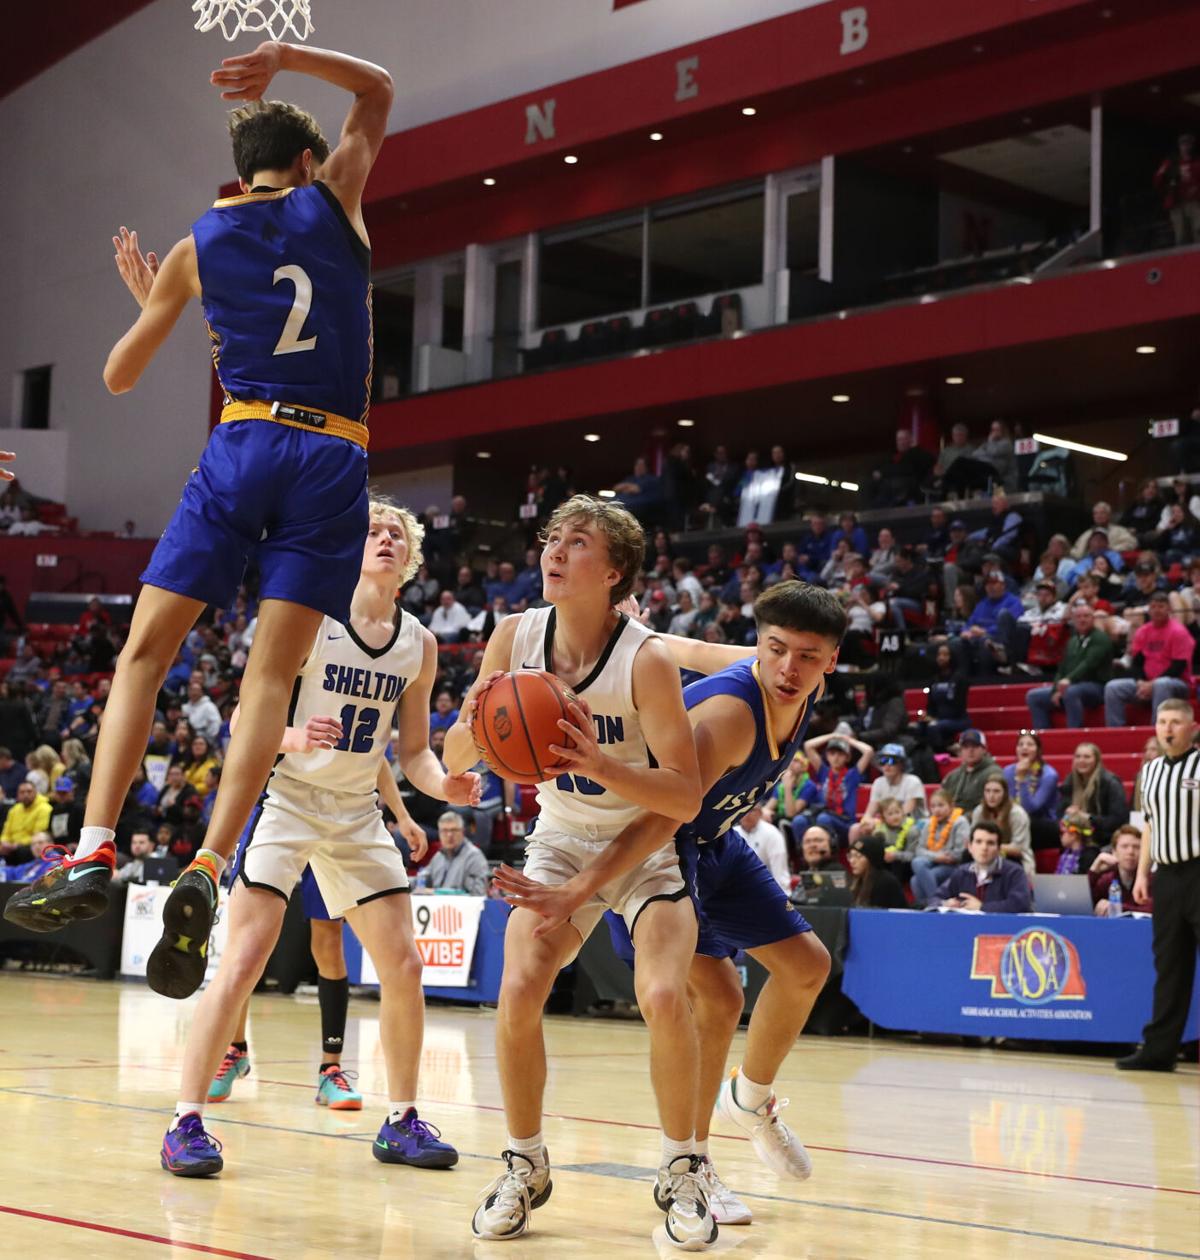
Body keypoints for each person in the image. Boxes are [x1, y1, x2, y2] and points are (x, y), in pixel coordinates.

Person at [3, 42, 394, 975]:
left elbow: (119, 374)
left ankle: (95, 843)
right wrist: (289, 55)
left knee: (143, 654)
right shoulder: (335, 200)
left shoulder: (197, 244)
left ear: (241, 167)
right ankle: (214, 866)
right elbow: (376, 90)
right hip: (332, 452)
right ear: (306, 162)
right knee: (268, 680)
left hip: (244, 440)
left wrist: (158, 305)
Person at [490, 580, 847, 1234]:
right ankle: (695, 1164)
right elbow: (659, 816)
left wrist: (639, 633)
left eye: (809, 656)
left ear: (831, 660)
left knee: (806, 967)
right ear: (763, 648)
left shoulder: (798, 679)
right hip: (653, 841)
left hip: (716, 840)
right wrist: (583, 886)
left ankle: (753, 1099)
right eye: (778, 651)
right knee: (714, 998)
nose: (790, 668)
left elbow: (703, 647)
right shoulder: (730, 719)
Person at [159, 497, 479, 1177]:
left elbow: (415, 750)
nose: (387, 538)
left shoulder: (418, 642)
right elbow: (243, 723)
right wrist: (295, 736)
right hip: (293, 800)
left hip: (358, 810)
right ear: (350, 546)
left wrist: (443, 783)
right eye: (374, 529)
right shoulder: (313, 619)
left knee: (406, 967)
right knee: (244, 960)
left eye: (398, 532)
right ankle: (185, 1121)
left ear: (411, 558)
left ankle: (401, 1121)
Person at [443, 495, 711, 1248]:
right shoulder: (513, 637)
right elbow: (460, 755)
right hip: (560, 835)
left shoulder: (647, 659)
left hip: (643, 841)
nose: (555, 552)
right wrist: (475, 726)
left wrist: (597, 761)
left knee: (661, 993)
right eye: (551, 538)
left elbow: (684, 797)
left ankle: (682, 1167)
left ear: (615, 570)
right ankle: (524, 1163)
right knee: (520, 984)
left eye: (579, 541)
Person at [1117, 699, 1200, 1071]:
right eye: (1162, 721)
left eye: (1176, 722)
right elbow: (1148, 825)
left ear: (1192, 727)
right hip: (1166, 877)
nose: (1168, 728)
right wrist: (1141, 874)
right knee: (1169, 966)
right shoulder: (1149, 772)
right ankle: (1158, 1051)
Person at [1103, 593, 1193, 726]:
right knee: (1113, 687)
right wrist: (1141, 683)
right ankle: (1115, 732)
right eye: (1153, 607)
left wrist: (1151, 684)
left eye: (1161, 606)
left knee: (1161, 684)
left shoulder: (1178, 632)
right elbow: (1137, 664)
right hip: (1148, 683)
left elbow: (1178, 667)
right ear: (1149, 610)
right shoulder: (1143, 631)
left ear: (1169, 609)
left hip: (1178, 684)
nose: (1157, 610)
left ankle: (1156, 732)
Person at [1025, 600, 1114, 730]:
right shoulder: (1072, 641)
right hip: (1071, 686)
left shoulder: (1100, 639)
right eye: (1078, 617)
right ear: (1073, 620)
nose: (1082, 620)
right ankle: (1043, 737)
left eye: (1086, 616)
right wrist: (1056, 689)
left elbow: (1088, 664)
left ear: (1093, 618)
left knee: (1071, 692)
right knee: (1033, 697)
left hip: (1097, 687)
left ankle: (1074, 732)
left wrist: (1068, 681)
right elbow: (1061, 669)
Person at [930, 822, 1032, 912]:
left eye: (990, 843)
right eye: (978, 842)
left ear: (999, 849)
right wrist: (945, 903)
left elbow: (1021, 904)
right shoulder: (962, 872)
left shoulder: (1014, 872)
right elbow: (934, 899)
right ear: (970, 847)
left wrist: (982, 907)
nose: (984, 848)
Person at [801, 731, 872, 844]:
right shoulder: (823, 771)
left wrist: (848, 739)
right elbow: (808, 745)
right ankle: (803, 855)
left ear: (847, 757)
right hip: (822, 814)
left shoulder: (852, 775)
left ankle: (829, 851)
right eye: (832, 753)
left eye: (840, 754)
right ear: (827, 756)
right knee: (799, 821)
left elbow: (868, 751)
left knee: (823, 818)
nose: (836, 757)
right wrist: (832, 735)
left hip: (844, 822)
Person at [849, 742, 925, 847]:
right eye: (883, 761)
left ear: (901, 764)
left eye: (892, 761)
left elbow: (903, 814)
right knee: (855, 829)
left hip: (912, 824)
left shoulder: (913, 781)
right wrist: (866, 822)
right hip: (886, 824)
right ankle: (857, 854)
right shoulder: (878, 783)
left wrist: (878, 822)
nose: (887, 765)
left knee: (880, 830)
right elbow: (869, 813)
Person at [1056, 742, 1129, 847]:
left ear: (1097, 760)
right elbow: (1059, 813)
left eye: (1087, 757)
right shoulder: (1070, 781)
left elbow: (1118, 820)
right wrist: (1067, 815)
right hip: (1076, 837)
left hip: (1103, 839)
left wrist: (1089, 817)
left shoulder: (1110, 782)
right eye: (1078, 756)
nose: (1081, 760)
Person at [909, 790, 969, 906]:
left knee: (916, 880)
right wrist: (937, 857)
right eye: (933, 806)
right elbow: (919, 850)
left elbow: (960, 853)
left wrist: (941, 857)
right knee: (917, 862)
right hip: (934, 862)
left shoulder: (960, 822)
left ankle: (932, 905)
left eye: (941, 805)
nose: (937, 810)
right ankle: (936, 903)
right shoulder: (929, 823)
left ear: (951, 806)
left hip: (953, 865)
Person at [1003, 731, 1060, 851]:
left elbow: (1031, 809)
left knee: (1024, 822)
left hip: (1041, 824)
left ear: (1038, 750)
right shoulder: (1007, 771)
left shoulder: (1048, 775)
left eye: (1030, 744)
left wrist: (1022, 779)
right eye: (1021, 744)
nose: (1025, 747)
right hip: (1013, 819)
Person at [971, 773, 1033, 879]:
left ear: (1005, 793)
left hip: (1014, 857)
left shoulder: (1017, 814)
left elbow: (1018, 849)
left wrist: (992, 847)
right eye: (988, 791)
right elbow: (972, 840)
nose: (991, 796)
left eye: (996, 791)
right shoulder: (979, 811)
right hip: (984, 853)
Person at [1090, 824, 1153, 915]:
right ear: (1114, 851)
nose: (1130, 852)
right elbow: (1084, 904)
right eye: (1124, 846)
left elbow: (1153, 909)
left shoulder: (1151, 879)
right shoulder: (1107, 879)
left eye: (1136, 847)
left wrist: (1116, 907)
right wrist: (1093, 871)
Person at [424, 811, 490, 895]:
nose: (449, 835)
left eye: (454, 830)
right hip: (438, 907)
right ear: (439, 833)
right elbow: (421, 880)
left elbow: (477, 894)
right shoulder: (438, 856)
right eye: (444, 830)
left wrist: (438, 893)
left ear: (463, 832)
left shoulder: (474, 857)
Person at [1154, 132, 1200, 246]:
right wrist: (1169, 186)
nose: (1186, 147)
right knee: (1181, 234)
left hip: (1194, 202)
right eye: (1183, 144)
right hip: (1176, 202)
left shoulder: (1197, 162)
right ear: (1179, 145)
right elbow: (1158, 179)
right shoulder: (1171, 162)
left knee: (1198, 229)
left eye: (1188, 144)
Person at [736, 804, 791, 891]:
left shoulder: (772, 833)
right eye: (742, 810)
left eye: (751, 810)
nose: (746, 813)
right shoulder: (732, 834)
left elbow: (779, 872)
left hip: (766, 889)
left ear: (760, 813)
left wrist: (782, 898)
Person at [941, 729, 997, 813]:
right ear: (960, 750)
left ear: (984, 749)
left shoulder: (993, 773)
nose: (970, 750)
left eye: (975, 746)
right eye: (966, 747)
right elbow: (941, 800)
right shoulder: (952, 776)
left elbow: (993, 808)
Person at [846, 834, 906, 908]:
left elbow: (878, 915)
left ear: (872, 859)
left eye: (858, 856)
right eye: (850, 856)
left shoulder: (885, 882)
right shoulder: (855, 881)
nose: (852, 861)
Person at [0, 781, 52, 856]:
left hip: (30, 846)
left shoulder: (45, 808)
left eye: (29, 791)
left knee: (24, 850)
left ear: (36, 792)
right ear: (17, 795)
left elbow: (38, 835)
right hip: (11, 847)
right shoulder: (14, 810)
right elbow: (6, 832)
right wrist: (4, 842)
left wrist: (16, 845)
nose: (26, 795)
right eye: (22, 792)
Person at [1054, 811, 1101, 876]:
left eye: (1062, 833)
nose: (1060, 836)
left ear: (1073, 835)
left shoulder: (1089, 856)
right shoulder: (1065, 853)